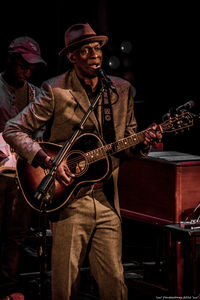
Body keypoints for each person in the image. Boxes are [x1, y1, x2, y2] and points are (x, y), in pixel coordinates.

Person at [3, 23, 162, 300]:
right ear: (72, 57)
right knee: (65, 285)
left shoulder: (121, 90)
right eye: (84, 49)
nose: (94, 54)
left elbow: (127, 144)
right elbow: (13, 129)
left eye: (97, 47)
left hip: (106, 198)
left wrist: (143, 142)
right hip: (67, 200)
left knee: (114, 282)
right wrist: (47, 161)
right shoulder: (55, 89)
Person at [0, 36, 47, 300]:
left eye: (31, 67)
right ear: (10, 59)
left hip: (23, 173)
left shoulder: (37, 95)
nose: (27, 71)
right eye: (22, 65)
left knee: (16, 233)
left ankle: (8, 287)